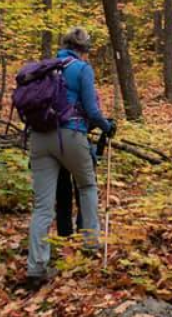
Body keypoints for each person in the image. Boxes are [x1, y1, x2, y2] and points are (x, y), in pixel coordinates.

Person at [25, 27, 113, 289]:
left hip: (39, 137)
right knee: (87, 186)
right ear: (84, 49)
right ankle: (90, 244)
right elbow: (91, 110)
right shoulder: (81, 69)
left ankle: (36, 267)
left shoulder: (46, 67)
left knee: (42, 206)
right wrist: (107, 127)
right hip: (70, 134)